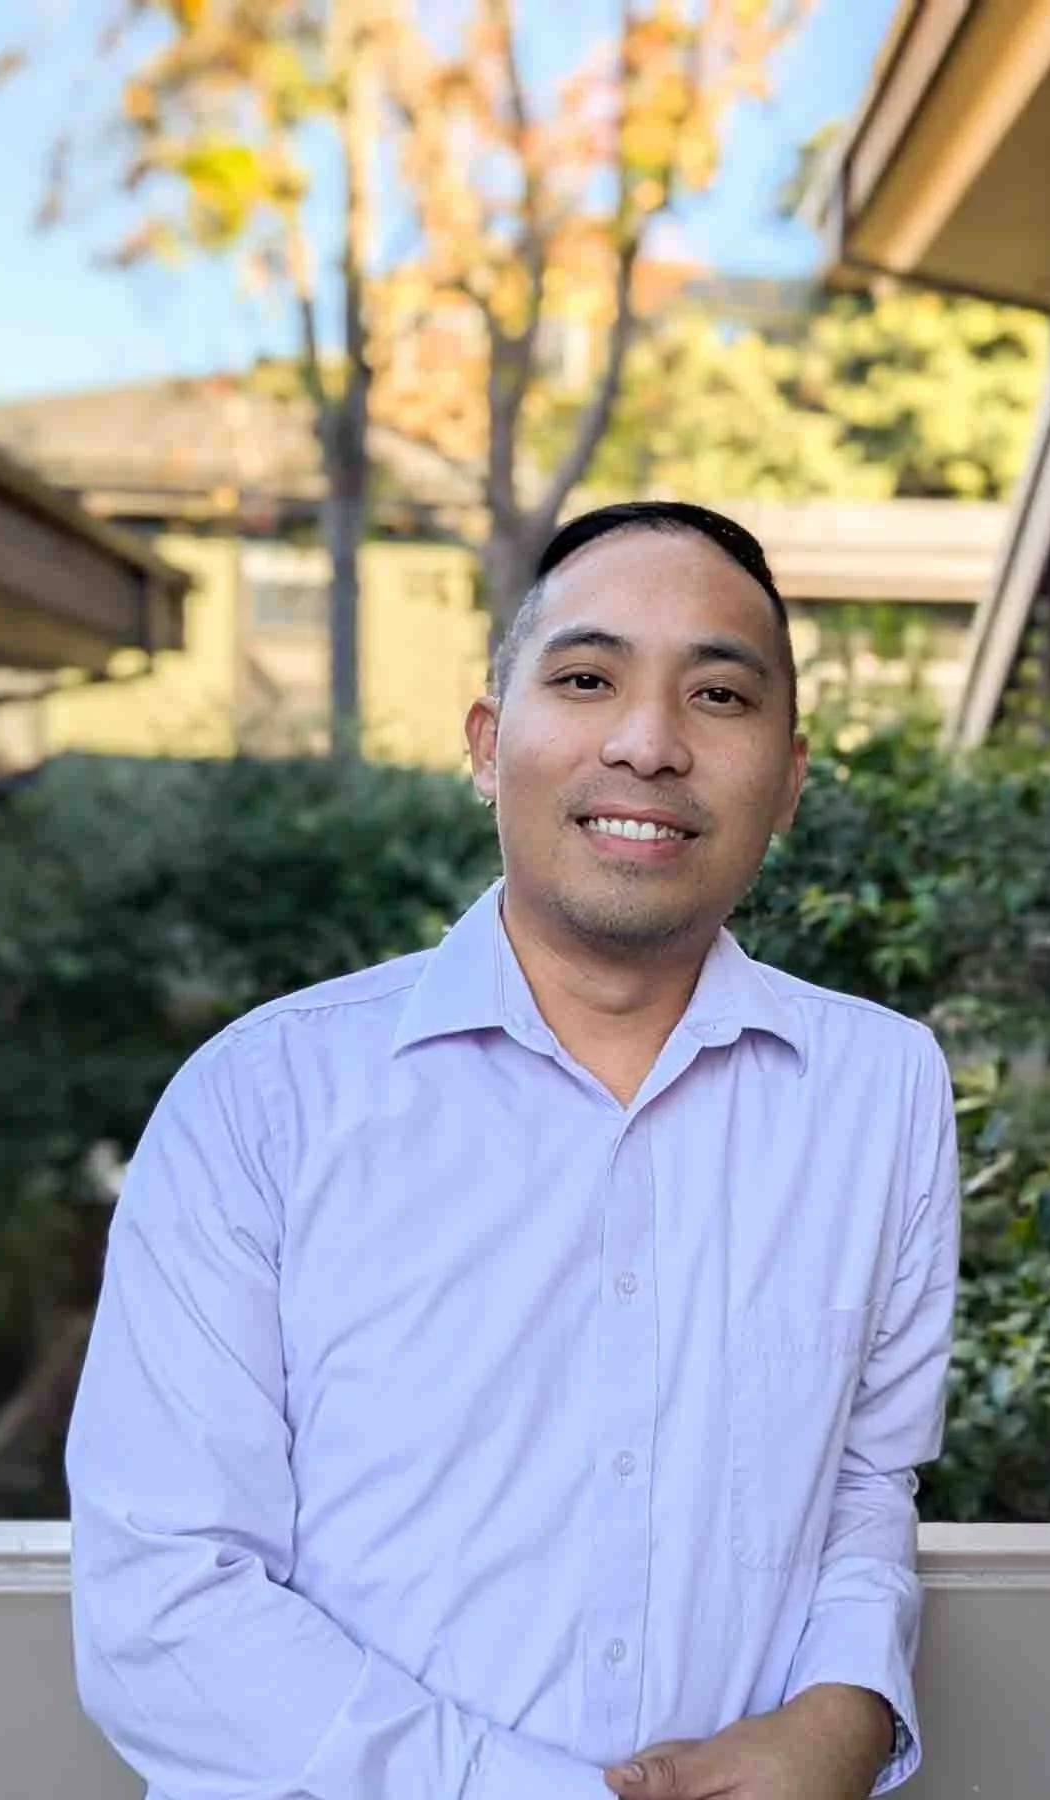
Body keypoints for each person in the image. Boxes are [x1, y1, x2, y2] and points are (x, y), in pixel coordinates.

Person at [65, 500, 960, 1800]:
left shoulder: (877, 1090)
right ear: (488, 745)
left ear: (790, 777)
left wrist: (847, 1706)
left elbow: (867, 1471)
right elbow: (163, 1595)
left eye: (718, 695)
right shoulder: (263, 1100)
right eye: (588, 679)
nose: (648, 744)